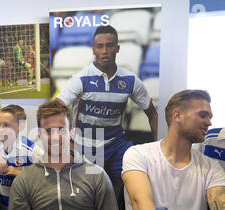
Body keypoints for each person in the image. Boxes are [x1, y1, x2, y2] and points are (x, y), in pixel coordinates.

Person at [7, 100, 123, 210]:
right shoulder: (24, 179)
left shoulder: (96, 174)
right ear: (39, 134)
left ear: (72, 133)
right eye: (48, 131)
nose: (55, 137)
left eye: (61, 130)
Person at [56, 25, 158, 194]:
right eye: (100, 46)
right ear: (93, 50)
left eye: (110, 45)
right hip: (84, 145)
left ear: (117, 48)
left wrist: (157, 150)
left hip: (116, 143)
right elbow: (54, 110)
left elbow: (153, 115)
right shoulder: (81, 79)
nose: (105, 51)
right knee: (88, 195)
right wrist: (66, 143)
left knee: (137, 180)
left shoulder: (130, 80)